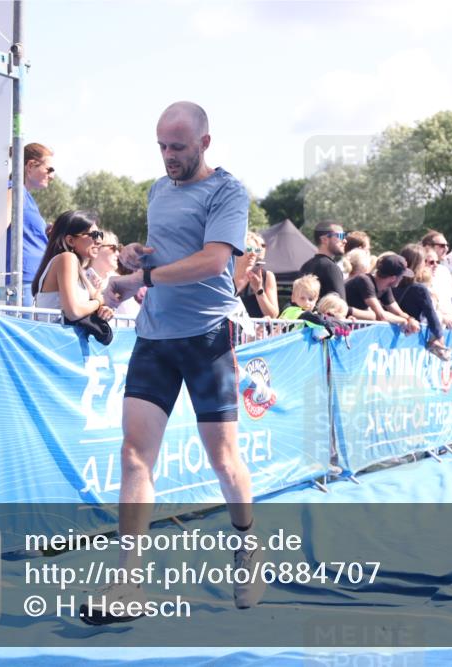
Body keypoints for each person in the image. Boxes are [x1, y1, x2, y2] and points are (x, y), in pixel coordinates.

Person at [97, 101, 262, 623]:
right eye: (162, 147)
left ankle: (248, 546)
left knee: (224, 461)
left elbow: (215, 260)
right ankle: (128, 582)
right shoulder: (156, 190)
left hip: (207, 337)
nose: (169, 157)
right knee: (133, 456)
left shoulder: (228, 191)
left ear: (204, 144)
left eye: (179, 148)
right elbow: (167, 258)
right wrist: (137, 259)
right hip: (155, 337)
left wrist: (142, 280)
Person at [32, 210, 115, 324]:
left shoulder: (73, 264)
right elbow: (73, 312)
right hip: (56, 339)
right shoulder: (67, 258)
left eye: (100, 234)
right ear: (70, 240)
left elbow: (97, 295)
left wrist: (102, 308)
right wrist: (97, 302)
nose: (99, 241)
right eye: (94, 235)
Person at [7, 142, 56, 306]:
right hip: (21, 283)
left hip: (31, 282)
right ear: (30, 166)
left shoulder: (25, 196)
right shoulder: (14, 191)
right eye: (49, 169)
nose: (52, 176)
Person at [395, 244, 451, 360]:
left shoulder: (391, 285)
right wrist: (439, 337)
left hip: (395, 332)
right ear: (419, 263)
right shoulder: (420, 289)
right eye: (424, 261)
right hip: (412, 336)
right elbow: (431, 314)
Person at [345, 254, 421, 332]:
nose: (402, 278)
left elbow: (398, 312)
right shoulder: (364, 281)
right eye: (401, 276)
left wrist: (410, 319)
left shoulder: (385, 288)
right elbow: (381, 316)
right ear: (393, 278)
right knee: (372, 315)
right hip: (339, 322)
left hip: (350, 325)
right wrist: (403, 321)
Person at [86, 230, 142, 319]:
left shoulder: (119, 281)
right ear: (96, 248)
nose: (118, 254)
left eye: (118, 249)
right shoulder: (80, 279)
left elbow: (134, 315)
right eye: (113, 248)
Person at [235, 231, 279, 318]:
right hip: (230, 330)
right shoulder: (224, 275)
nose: (253, 254)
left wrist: (259, 290)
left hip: (258, 330)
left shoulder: (266, 276)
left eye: (256, 250)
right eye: (248, 249)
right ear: (237, 251)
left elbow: (273, 315)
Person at [421, 230, 452, 319]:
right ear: (428, 246)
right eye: (442, 245)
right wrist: (442, 318)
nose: (446, 249)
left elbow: (448, 303)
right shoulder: (418, 273)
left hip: (448, 324)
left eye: (447, 245)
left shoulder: (444, 271)